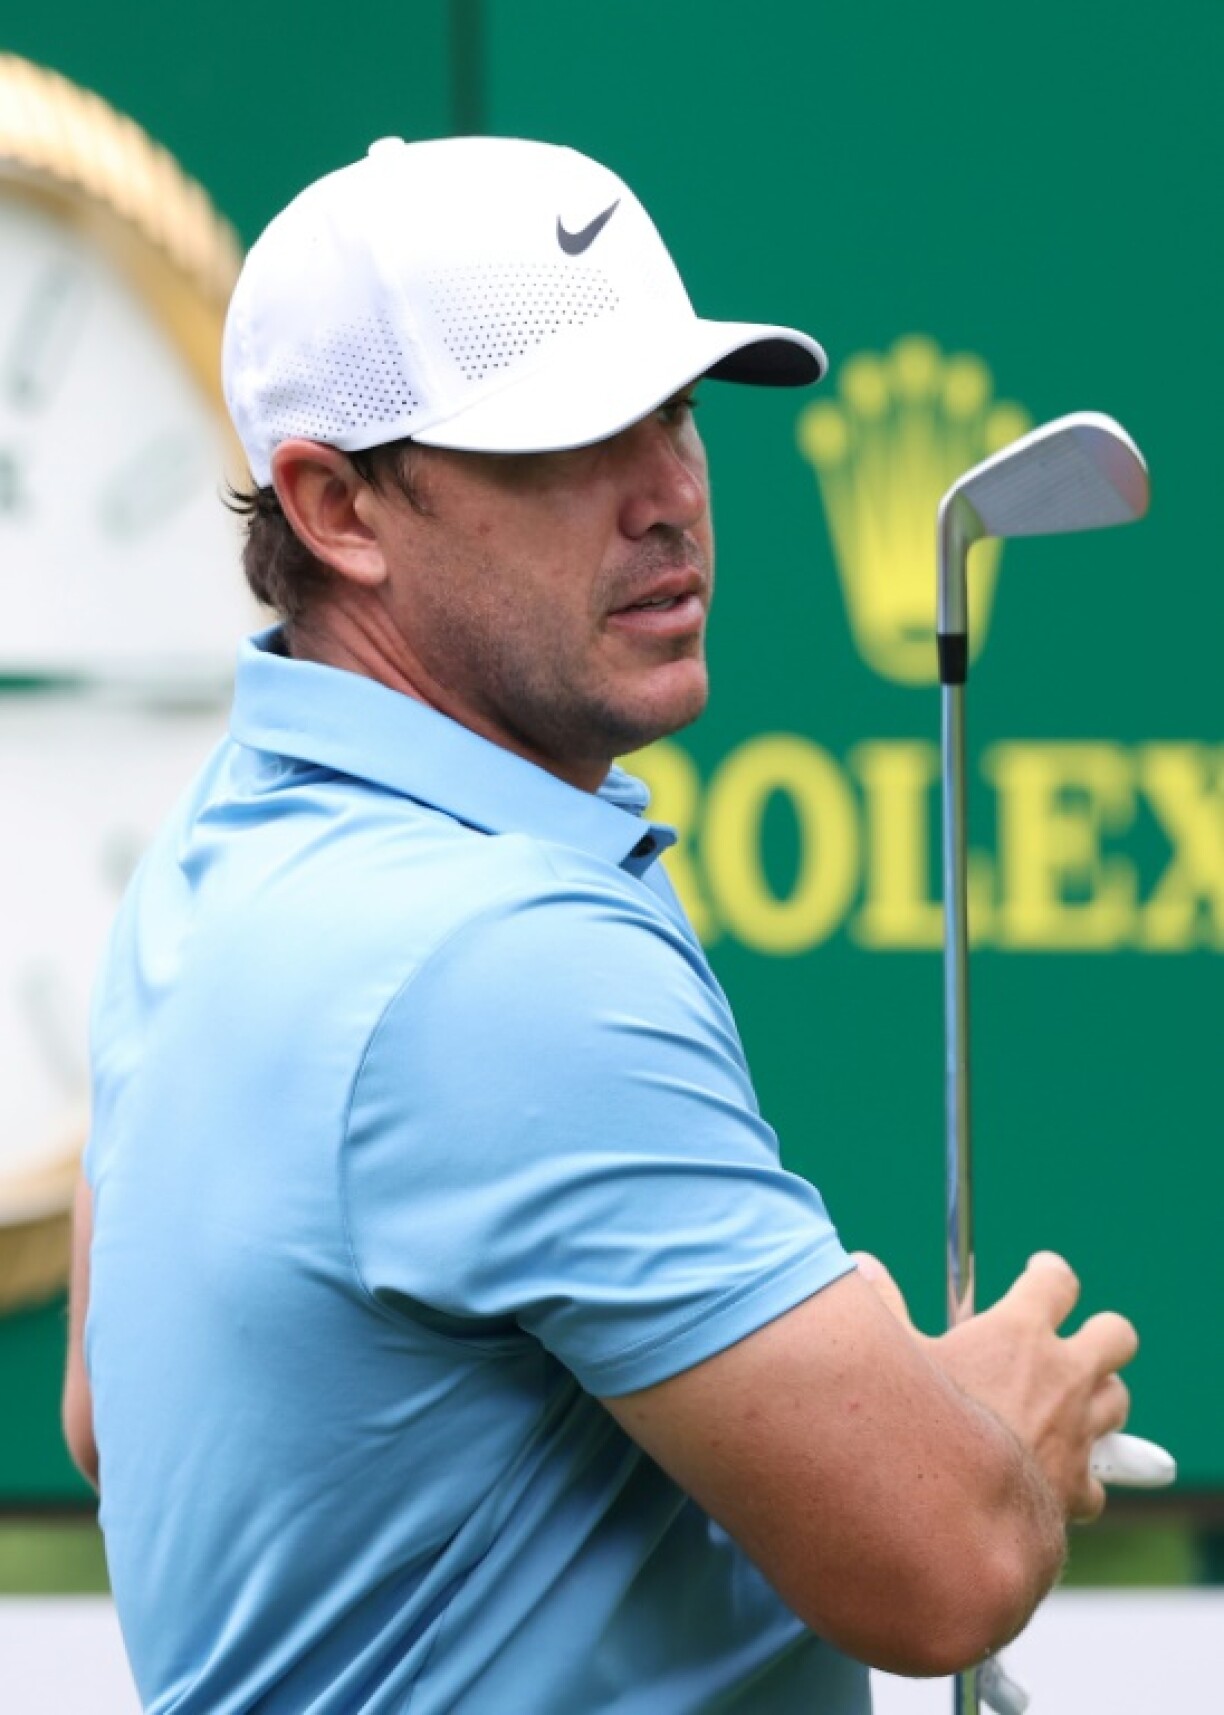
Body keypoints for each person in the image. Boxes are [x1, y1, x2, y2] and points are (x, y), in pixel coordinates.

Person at [63, 136, 1137, 1714]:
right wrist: (995, 1438)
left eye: (676, 411)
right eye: (567, 436)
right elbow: (948, 1563)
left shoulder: (225, 840)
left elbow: (111, 1410)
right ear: (339, 505)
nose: (672, 495)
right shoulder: (501, 954)